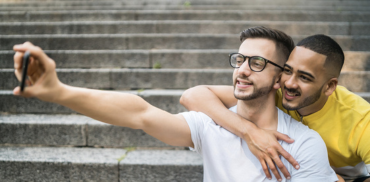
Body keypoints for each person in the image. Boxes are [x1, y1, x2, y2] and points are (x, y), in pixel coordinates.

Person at [12, 26, 337, 181]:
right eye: (240, 59)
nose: (241, 70)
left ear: (281, 78)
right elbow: (140, 113)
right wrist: (56, 91)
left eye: (257, 63)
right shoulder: (211, 124)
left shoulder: (304, 145)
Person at [180, 34, 370, 182]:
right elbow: (192, 96)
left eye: (304, 77)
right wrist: (249, 132)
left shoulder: (362, 120)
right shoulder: (278, 91)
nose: (290, 83)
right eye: (287, 71)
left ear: (329, 86)